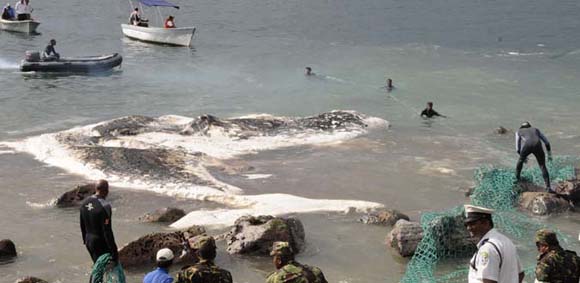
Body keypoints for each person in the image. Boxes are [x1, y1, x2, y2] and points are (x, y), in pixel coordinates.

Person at [464, 205, 524, 283]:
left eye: (472, 224)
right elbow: (520, 274)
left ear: (486, 223)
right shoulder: (506, 241)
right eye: (467, 225)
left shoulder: (487, 248)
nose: (469, 228)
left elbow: (489, 280)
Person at [80, 180, 119, 265]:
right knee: (101, 270)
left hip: (88, 240)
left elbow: (82, 224)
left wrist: (85, 240)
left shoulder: (84, 203)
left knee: (96, 266)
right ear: (106, 191)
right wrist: (114, 251)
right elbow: (107, 231)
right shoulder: (105, 206)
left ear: (96, 189)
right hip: (100, 243)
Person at [515, 122, 552, 192]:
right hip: (538, 145)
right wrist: (549, 155)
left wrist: (523, 158)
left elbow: (517, 149)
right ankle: (548, 187)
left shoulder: (518, 132)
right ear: (530, 126)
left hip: (527, 146)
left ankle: (517, 179)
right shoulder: (536, 129)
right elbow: (547, 142)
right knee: (542, 166)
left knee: (520, 162)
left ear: (521, 127)